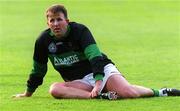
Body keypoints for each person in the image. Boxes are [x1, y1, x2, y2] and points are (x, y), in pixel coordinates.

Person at [13, 4, 180, 100]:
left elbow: (95, 56)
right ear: (48, 23)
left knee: (129, 93)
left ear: (67, 21)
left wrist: (99, 82)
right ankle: (100, 97)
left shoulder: (80, 31)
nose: (56, 24)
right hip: (79, 81)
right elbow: (38, 70)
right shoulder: (43, 41)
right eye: (52, 20)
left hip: (100, 70)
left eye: (59, 20)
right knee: (54, 89)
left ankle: (162, 92)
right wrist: (28, 93)